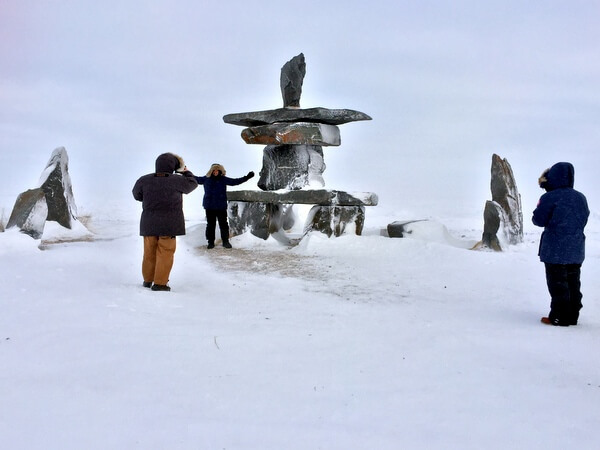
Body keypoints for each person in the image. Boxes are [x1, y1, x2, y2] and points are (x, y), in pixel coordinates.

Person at [532, 162, 589, 326]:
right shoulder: (581, 197)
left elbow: (538, 220)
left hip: (555, 249)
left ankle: (559, 317)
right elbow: (583, 219)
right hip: (576, 249)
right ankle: (572, 316)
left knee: (558, 285)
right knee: (573, 283)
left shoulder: (549, 197)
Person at [132, 153, 198, 291]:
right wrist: (186, 172)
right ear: (174, 166)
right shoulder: (177, 180)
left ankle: (147, 280)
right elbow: (193, 184)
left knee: (149, 252)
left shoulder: (144, 180)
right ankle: (160, 283)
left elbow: (137, 195)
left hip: (149, 223)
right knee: (165, 252)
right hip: (169, 224)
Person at [195, 163, 254, 249]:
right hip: (209, 206)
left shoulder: (223, 179)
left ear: (220, 171)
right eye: (214, 170)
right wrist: (184, 172)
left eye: (217, 170)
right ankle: (210, 242)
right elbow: (194, 179)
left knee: (223, 225)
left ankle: (225, 242)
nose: (215, 172)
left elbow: (235, 181)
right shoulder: (206, 179)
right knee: (211, 225)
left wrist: (247, 177)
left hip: (221, 206)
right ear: (211, 171)